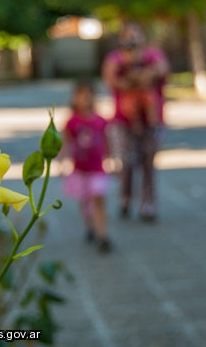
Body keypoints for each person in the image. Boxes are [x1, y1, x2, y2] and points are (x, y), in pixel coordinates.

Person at [101, 22, 170, 221]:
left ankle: (148, 202)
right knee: (126, 162)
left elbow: (160, 71)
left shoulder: (153, 55)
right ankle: (125, 197)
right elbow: (115, 80)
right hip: (124, 121)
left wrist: (137, 77)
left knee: (148, 162)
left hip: (150, 120)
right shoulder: (115, 59)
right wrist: (138, 77)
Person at [61, 81, 112, 252]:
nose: (86, 99)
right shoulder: (72, 122)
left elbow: (107, 141)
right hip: (80, 170)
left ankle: (102, 234)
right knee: (86, 201)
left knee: (98, 198)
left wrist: (112, 159)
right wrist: (61, 161)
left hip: (97, 169)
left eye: (90, 94)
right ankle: (90, 227)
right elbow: (65, 143)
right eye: (82, 95)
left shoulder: (100, 121)